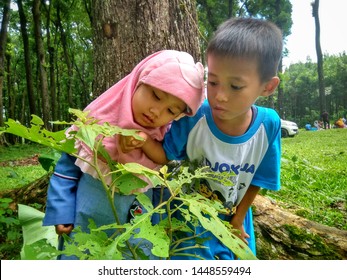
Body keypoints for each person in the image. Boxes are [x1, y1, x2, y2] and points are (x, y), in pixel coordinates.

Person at [124, 18, 283, 260]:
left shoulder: (269, 125)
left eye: (236, 86)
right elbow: (166, 157)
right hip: (187, 222)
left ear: (267, 87)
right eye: (213, 81)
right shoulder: (194, 116)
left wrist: (239, 218)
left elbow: (260, 178)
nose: (220, 96)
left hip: (234, 222)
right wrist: (144, 140)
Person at [42, 50, 205, 259]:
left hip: (135, 236)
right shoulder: (95, 122)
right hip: (85, 226)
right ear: (137, 81)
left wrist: (159, 227)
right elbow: (67, 169)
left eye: (170, 111)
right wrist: (60, 210)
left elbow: (160, 190)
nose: (156, 112)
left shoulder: (162, 142)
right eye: (156, 96)